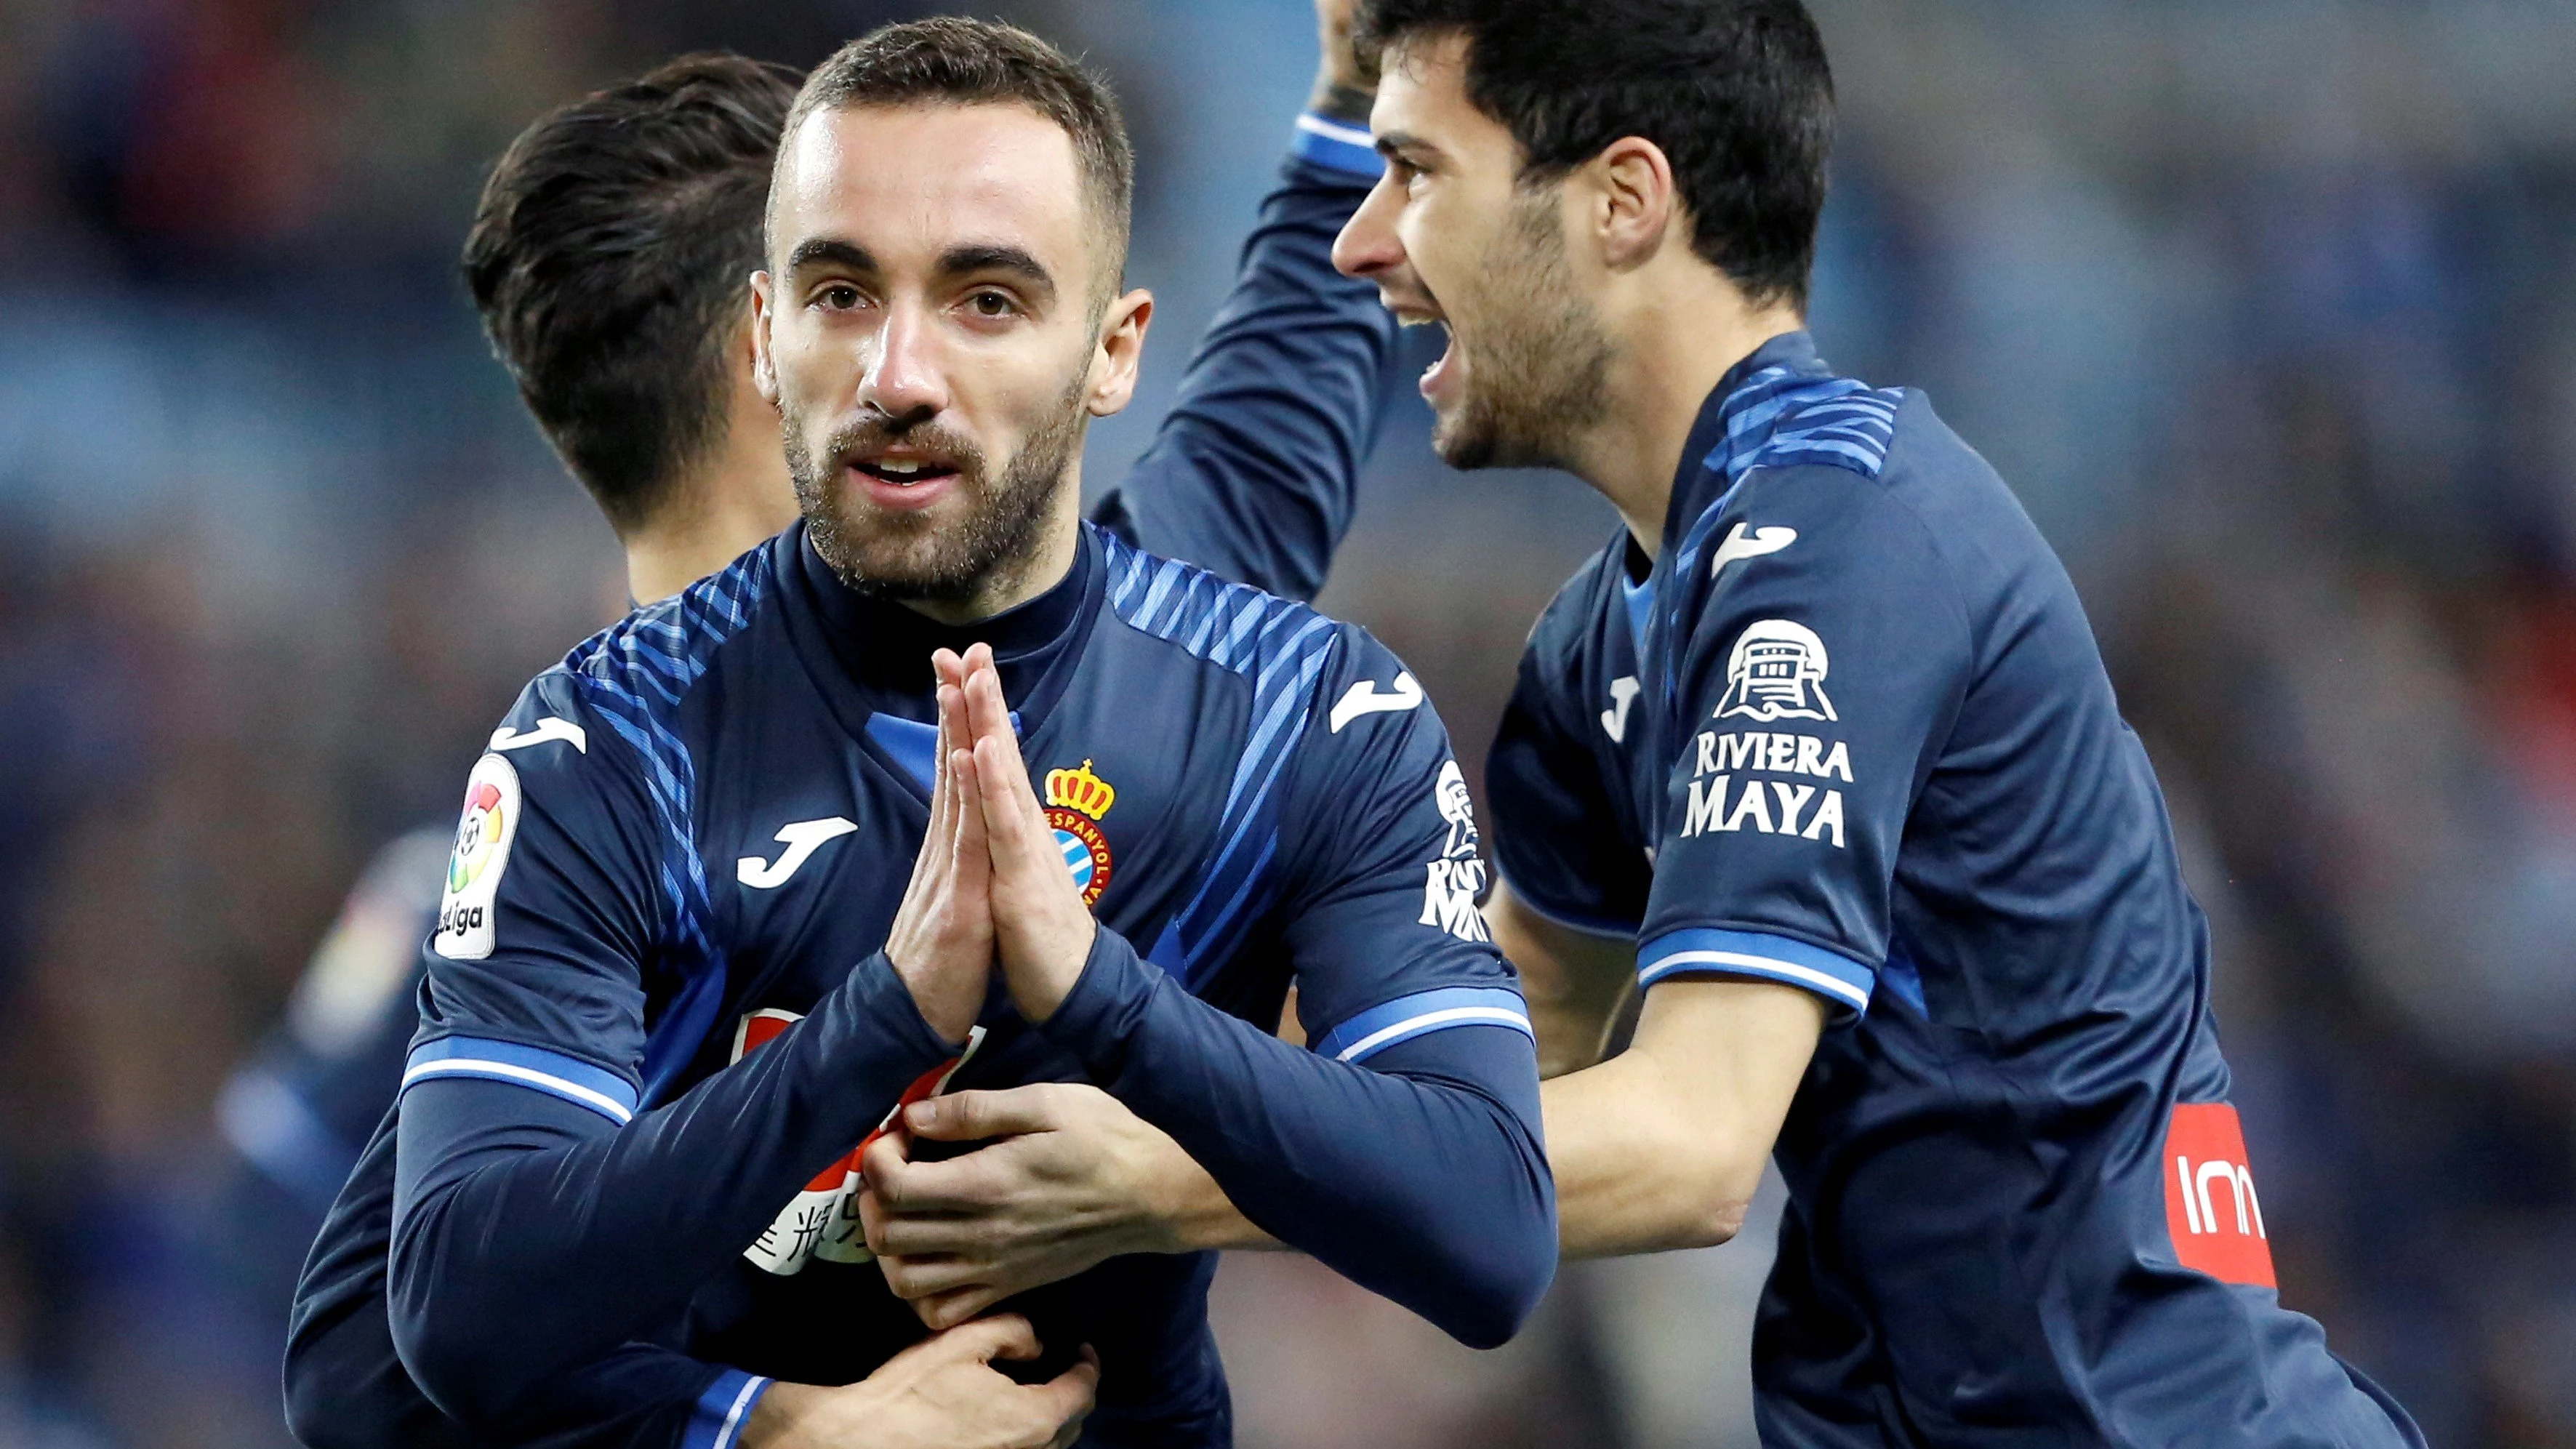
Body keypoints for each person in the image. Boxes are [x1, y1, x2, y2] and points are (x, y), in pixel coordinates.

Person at [858, 0, 2430, 1443]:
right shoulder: (1604, 639)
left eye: (1415, 173)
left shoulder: (1843, 541)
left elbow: (1687, 1146)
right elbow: (1471, 1077)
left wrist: (1159, 1179)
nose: (1367, 246)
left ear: (1621, 201)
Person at [365, 15, 1553, 1449]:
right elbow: (396, 1342)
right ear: (763, 340)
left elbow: (1492, 1231)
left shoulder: (1274, 703)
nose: (903, 374)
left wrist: (1108, 1009)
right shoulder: (605, 754)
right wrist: (784, 1420)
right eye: (844, 293)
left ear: (1110, 352)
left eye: (985, 298)